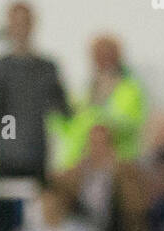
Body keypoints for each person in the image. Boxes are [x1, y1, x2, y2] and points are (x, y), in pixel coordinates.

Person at [0, 3, 70, 181]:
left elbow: (62, 111)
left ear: (32, 25)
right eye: (16, 23)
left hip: (37, 156)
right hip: (5, 159)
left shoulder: (47, 69)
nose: (20, 29)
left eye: (24, 23)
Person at [55, 35, 147, 170]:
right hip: (77, 164)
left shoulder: (130, 90)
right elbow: (66, 124)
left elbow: (131, 124)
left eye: (106, 55)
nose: (101, 60)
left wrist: (96, 114)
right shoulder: (84, 90)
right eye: (97, 55)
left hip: (116, 167)